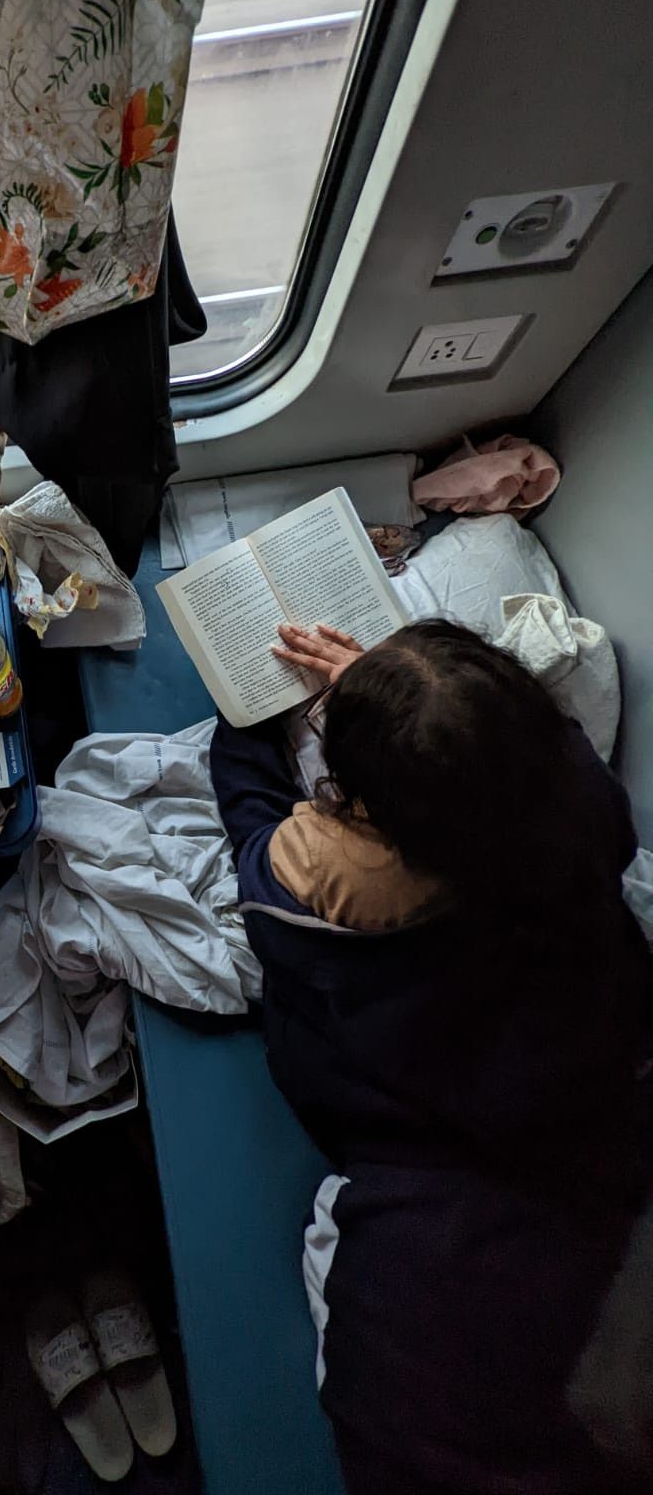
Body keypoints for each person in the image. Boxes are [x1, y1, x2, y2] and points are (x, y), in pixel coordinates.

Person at [210, 618, 653, 1495]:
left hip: (419, 1097)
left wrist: (244, 726)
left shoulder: (331, 893)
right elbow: (541, 743)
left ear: (372, 809)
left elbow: (255, 840)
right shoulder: (582, 807)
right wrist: (421, 704)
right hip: (588, 1046)